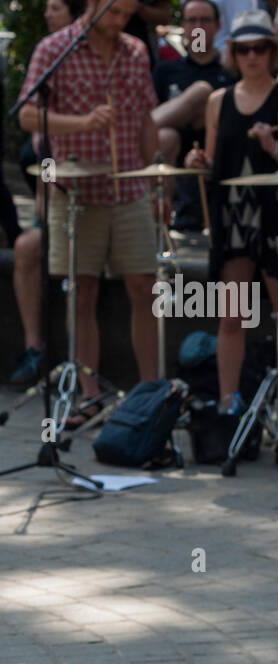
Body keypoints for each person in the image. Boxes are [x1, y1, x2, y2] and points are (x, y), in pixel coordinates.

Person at [18, 0, 164, 422]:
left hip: (130, 187)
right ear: (95, 4)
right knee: (82, 294)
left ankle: (149, 393)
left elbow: (146, 118)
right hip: (76, 189)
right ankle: (88, 395)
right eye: (114, 12)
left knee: (144, 287)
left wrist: (160, 182)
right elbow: (28, 115)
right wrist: (81, 123)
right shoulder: (54, 48)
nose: (121, 22)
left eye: (127, 14)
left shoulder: (136, 50)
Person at [184, 9, 278, 415]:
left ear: (273, 52)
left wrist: (274, 149)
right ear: (234, 54)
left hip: (275, 215)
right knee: (230, 316)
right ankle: (228, 404)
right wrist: (196, 161)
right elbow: (211, 160)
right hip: (232, 219)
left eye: (260, 48)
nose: (252, 56)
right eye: (244, 49)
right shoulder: (216, 101)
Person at [8, 0, 88, 388]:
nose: (46, 13)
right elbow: (44, 184)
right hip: (58, 208)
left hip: (100, 202)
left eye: (55, 6)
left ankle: (83, 369)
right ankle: (34, 347)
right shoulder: (47, 61)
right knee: (27, 246)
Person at [153, 0, 231, 232]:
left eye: (205, 20)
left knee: (203, 92)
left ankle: (133, 135)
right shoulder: (165, 70)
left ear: (217, 26)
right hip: (168, 154)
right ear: (183, 26)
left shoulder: (229, 72)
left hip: (215, 153)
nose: (198, 27)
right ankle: (159, 225)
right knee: (166, 136)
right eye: (192, 20)